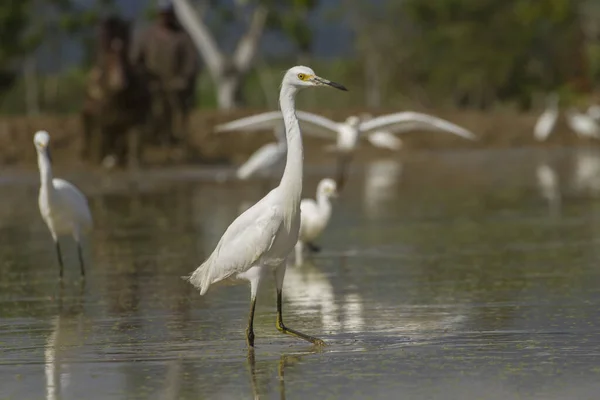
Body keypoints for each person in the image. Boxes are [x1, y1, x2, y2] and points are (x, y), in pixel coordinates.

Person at [132, 0, 199, 147]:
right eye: (162, 14)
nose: (165, 18)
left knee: (176, 113)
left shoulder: (182, 38)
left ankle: (178, 142)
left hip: (175, 85)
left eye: (168, 14)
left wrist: (183, 79)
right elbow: (136, 61)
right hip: (151, 85)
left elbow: (191, 63)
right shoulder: (146, 36)